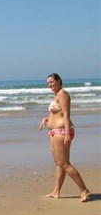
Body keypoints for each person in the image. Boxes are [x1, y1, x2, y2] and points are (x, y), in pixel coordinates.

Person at [39, 73, 91, 202]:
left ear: (58, 81)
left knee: (64, 164)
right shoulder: (56, 95)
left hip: (62, 132)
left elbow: (66, 115)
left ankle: (84, 190)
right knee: (59, 164)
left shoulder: (63, 94)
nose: (49, 85)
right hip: (55, 132)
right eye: (48, 83)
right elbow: (58, 113)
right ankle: (56, 191)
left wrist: (67, 134)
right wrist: (47, 119)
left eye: (51, 82)